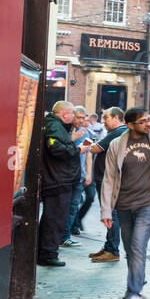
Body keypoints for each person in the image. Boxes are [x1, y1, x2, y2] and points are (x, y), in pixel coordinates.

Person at [99, 108, 150, 299]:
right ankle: (138, 277)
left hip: (148, 203)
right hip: (123, 204)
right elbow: (109, 179)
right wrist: (106, 210)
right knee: (129, 248)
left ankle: (134, 292)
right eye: (142, 121)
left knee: (137, 245)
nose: (148, 124)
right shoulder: (116, 145)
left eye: (148, 120)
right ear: (130, 124)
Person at [37, 102, 91, 267]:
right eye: (73, 115)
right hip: (57, 180)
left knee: (53, 218)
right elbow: (55, 148)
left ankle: (46, 251)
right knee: (54, 218)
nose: (74, 118)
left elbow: (58, 144)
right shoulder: (54, 125)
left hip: (59, 179)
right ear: (65, 114)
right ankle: (47, 254)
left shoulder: (56, 125)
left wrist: (71, 140)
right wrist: (77, 149)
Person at [88, 108, 127, 261]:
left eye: (106, 118)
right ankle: (109, 246)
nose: (103, 121)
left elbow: (95, 148)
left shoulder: (117, 133)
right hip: (108, 178)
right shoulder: (119, 132)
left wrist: (85, 145)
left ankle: (112, 250)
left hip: (108, 179)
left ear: (116, 118)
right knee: (110, 213)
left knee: (111, 214)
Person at [62, 106, 90, 247]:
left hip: (79, 176)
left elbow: (87, 154)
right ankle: (59, 236)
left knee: (73, 207)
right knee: (62, 207)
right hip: (65, 176)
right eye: (79, 117)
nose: (81, 120)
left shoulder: (84, 132)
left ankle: (65, 236)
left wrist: (88, 174)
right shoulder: (65, 130)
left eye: (83, 118)